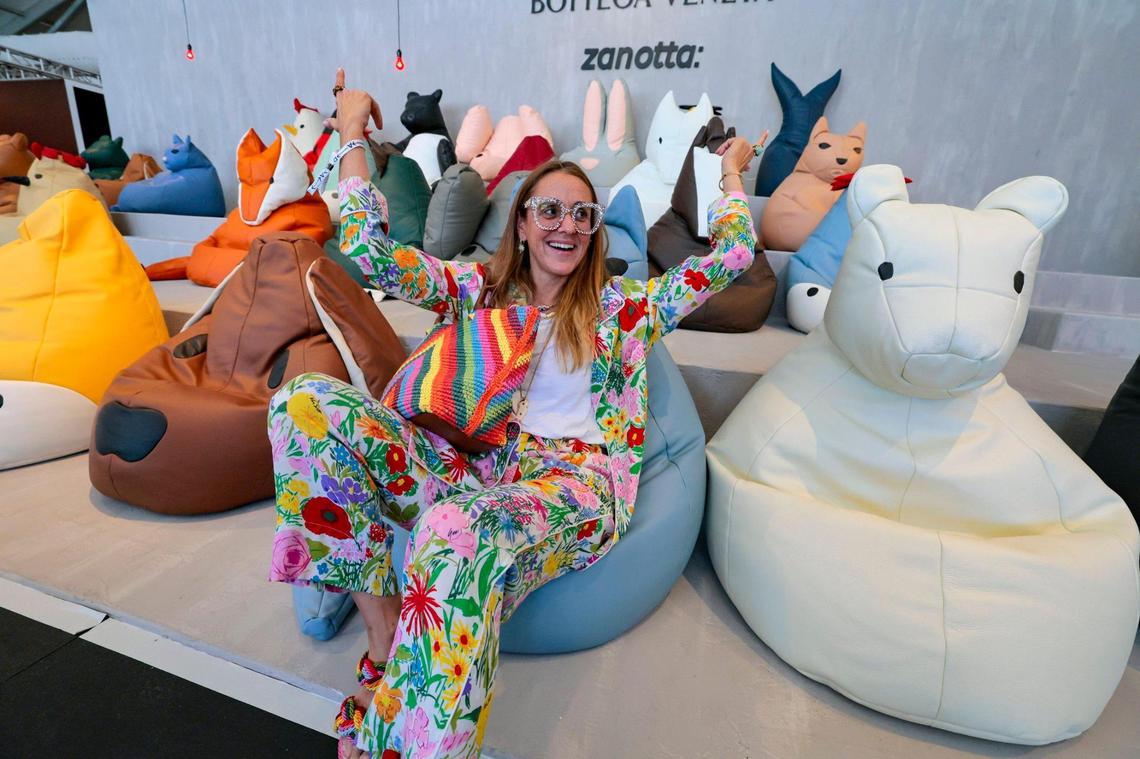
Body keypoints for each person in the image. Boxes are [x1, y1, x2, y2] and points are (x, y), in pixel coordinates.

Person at [268, 69, 765, 759]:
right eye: (550, 210)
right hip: (479, 470)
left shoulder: (625, 312)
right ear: (524, 224)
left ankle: (403, 744)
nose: (567, 224)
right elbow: (369, 253)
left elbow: (735, 254)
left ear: (593, 234)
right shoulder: (478, 290)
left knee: (453, 530)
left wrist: (730, 173)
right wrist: (352, 130)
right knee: (304, 404)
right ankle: (384, 647)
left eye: (582, 215)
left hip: (573, 488)